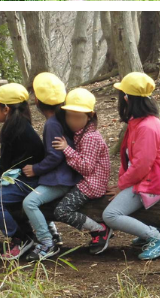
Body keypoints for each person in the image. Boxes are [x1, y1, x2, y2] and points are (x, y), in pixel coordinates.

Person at [0, 83, 46, 261]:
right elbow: (8, 160)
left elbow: (6, 161)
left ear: (6, 109)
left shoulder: (16, 129)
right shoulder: (18, 125)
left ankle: (20, 239)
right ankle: (26, 235)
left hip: (29, 181)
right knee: (2, 202)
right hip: (23, 178)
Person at [102, 72, 160, 260]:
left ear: (127, 98)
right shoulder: (138, 122)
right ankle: (148, 232)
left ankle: (154, 236)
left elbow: (142, 166)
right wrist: (122, 183)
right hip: (144, 179)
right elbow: (129, 159)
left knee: (110, 215)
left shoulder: (147, 127)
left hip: (151, 183)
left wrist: (122, 186)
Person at [21, 73, 77, 262]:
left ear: (37, 100)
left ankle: (46, 242)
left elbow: (55, 156)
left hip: (61, 180)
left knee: (30, 203)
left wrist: (35, 169)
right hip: (65, 176)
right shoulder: (63, 118)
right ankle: (53, 233)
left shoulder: (52, 124)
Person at [51, 88, 112, 255]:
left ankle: (99, 229)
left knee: (61, 211)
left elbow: (86, 167)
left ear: (90, 116)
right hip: (87, 181)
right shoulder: (80, 133)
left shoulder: (90, 137)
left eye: (78, 117)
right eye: (69, 116)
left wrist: (66, 149)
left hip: (92, 184)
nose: (72, 121)